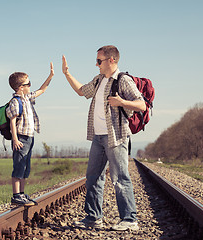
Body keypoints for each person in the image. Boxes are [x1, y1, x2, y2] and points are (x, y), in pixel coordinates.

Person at [62, 45, 145, 230]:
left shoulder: (123, 80)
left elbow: (141, 105)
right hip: (98, 137)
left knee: (120, 178)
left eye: (99, 61)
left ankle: (130, 220)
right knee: (92, 177)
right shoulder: (99, 80)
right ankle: (93, 217)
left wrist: (122, 102)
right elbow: (82, 91)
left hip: (116, 137)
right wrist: (67, 74)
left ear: (111, 60)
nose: (96, 64)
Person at [6, 63, 54, 206]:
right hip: (20, 138)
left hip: (29, 137)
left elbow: (42, 90)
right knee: (19, 166)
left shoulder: (27, 98)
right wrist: (15, 139)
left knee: (26, 167)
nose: (30, 86)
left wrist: (50, 76)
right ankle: (16, 195)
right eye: (28, 84)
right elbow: (12, 122)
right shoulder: (15, 102)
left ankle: (21, 193)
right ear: (21, 87)